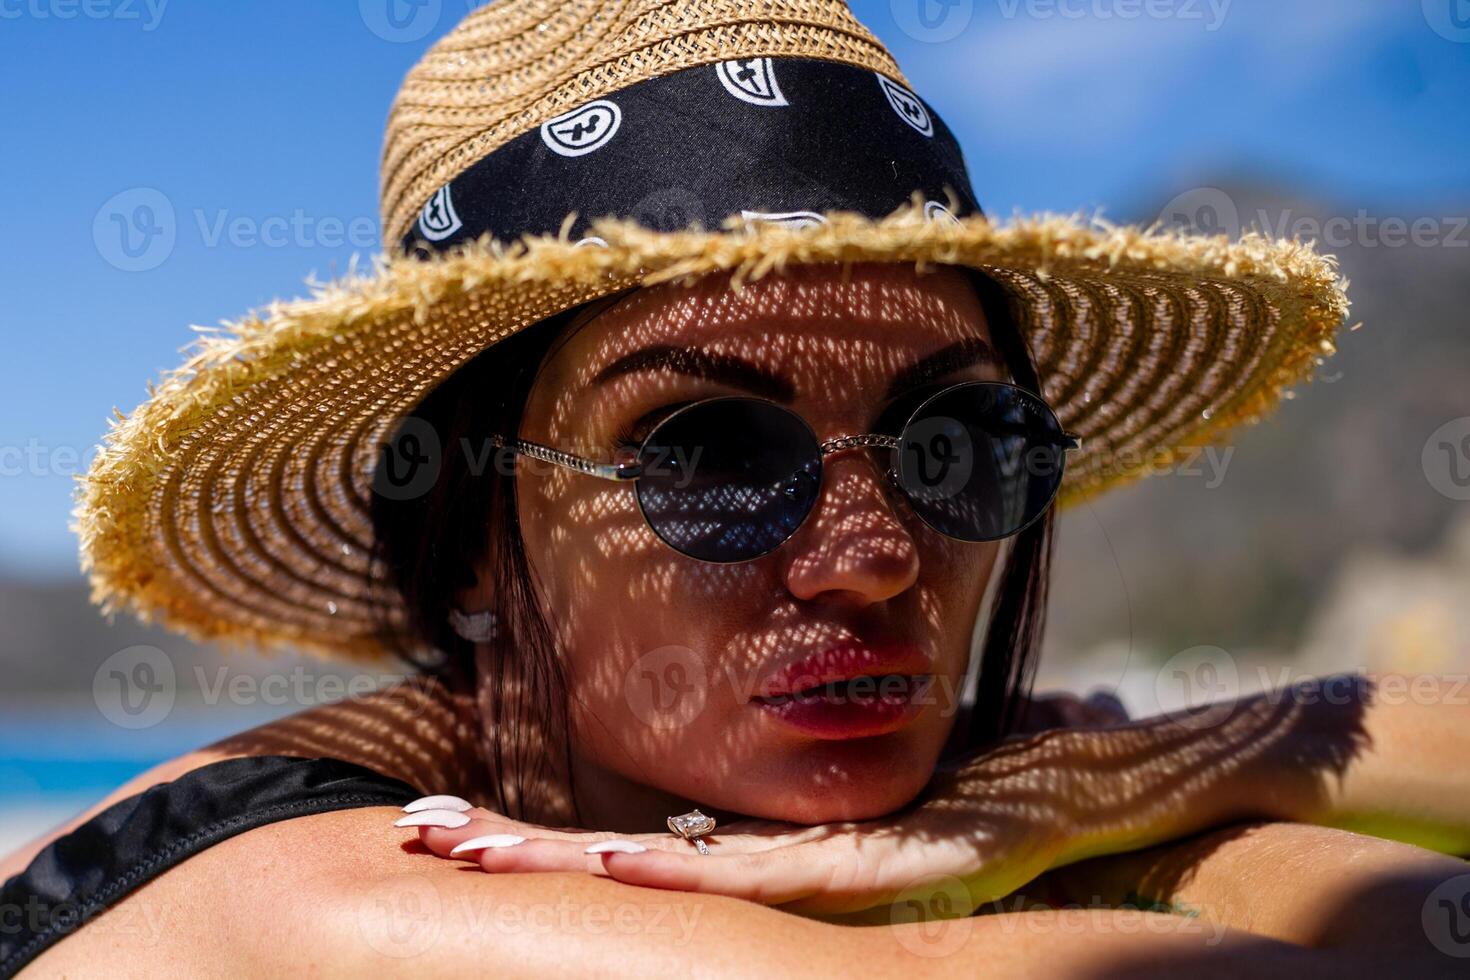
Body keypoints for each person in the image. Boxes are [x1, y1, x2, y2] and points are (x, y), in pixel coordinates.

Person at [5, 1, 1468, 976]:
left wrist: (1144, 774)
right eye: (706, 455)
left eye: (951, 444)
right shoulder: (323, 897)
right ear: (464, 540)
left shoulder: (974, 803)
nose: (871, 556)